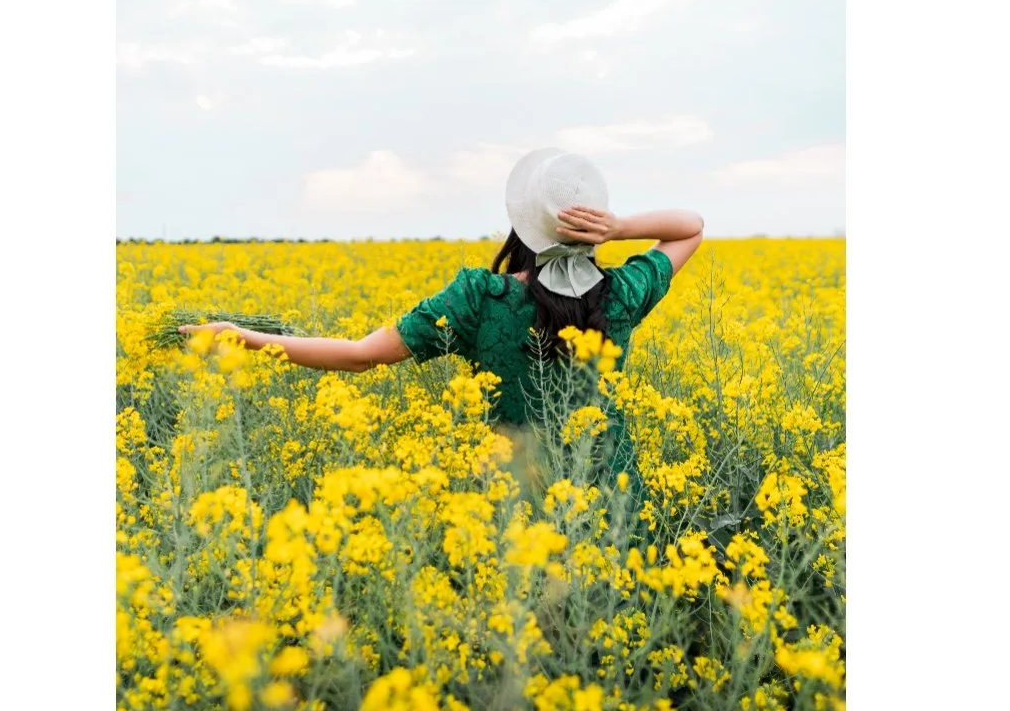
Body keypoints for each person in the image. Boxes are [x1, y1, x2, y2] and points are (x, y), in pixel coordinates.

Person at [180, 147, 703, 493]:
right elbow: (690, 229)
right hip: (609, 498)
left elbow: (361, 356)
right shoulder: (623, 293)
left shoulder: (480, 297)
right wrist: (618, 229)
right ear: (593, 227)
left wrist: (240, 337)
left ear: (521, 223)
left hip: (513, 499)